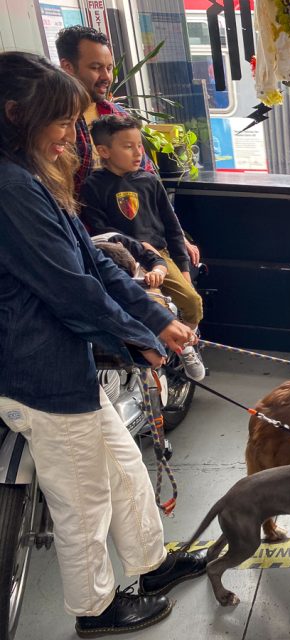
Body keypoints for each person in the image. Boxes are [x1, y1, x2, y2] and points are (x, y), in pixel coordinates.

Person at [0, 51, 207, 637]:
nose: (71, 135)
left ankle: (151, 564)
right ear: (16, 114)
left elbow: (92, 259)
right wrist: (138, 336)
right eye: (61, 122)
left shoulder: (30, 173)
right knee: (83, 504)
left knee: (125, 470)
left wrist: (154, 321)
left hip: (64, 364)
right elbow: (69, 288)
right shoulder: (11, 186)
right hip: (38, 371)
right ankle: (95, 611)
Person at [55, 25, 201, 268]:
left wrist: (177, 236)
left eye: (109, 67)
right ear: (68, 67)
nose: (106, 76)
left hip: (144, 239)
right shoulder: (55, 126)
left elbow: (148, 177)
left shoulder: (117, 115)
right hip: (91, 247)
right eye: (95, 68)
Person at [80, 115, 206, 381]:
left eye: (139, 145)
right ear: (104, 151)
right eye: (128, 146)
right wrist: (136, 248)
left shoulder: (150, 181)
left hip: (159, 255)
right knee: (149, 307)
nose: (138, 152)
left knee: (192, 302)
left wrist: (182, 270)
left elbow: (172, 228)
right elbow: (103, 231)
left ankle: (184, 346)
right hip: (123, 259)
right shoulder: (92, 186)